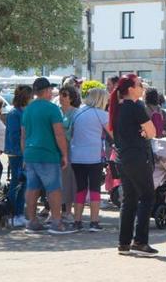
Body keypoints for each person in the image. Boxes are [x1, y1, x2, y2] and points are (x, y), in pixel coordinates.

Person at [111, 74, 157, 255]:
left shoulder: (117, 107)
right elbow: (152, 132)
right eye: (139, 85)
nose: (142, 88)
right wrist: (145, 134)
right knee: (147, 196)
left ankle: (124, 243)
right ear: (130, 89)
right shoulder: (136, 106)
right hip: (137, 157)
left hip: (122, 158)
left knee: (129, 199)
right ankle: (140, 241)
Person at [22, 77, 73, 235]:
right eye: (50, 90)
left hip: (30, 153)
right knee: (54, 189)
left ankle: (32, 221)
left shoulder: (28, 109)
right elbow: (59, 134)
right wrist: (64, 154)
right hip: (48, 153)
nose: (52, 92)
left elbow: (23, 135)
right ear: (46, 91)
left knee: (32, 188)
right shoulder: (52, 108)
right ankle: (56, 223)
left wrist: (25, 155)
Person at [70, 88, 111, 232]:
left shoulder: (77, 112)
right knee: (94, 189)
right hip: (94, 156)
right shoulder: (102, 114)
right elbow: (113, 133)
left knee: (80, 189)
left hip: (76, 156)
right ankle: (94, 222)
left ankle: (77, 221)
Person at [4, 85, 31, 228]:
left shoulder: (21, 112)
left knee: (23, 184)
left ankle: (19, 214)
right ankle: (12, 214)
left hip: (22, 152)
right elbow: (15, 135)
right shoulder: (15, 113)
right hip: (17, 153)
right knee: (17, 184)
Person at [58, 85, 81, 222]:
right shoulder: (56, 111)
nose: (61, 97)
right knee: (56, 180)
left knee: (69, 180)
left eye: (65, 95)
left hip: (70, 149)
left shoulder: (76, 112)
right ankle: (55, 210)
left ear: (71, 97)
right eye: (61, 94)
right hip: (56, 149)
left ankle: (68, 211)